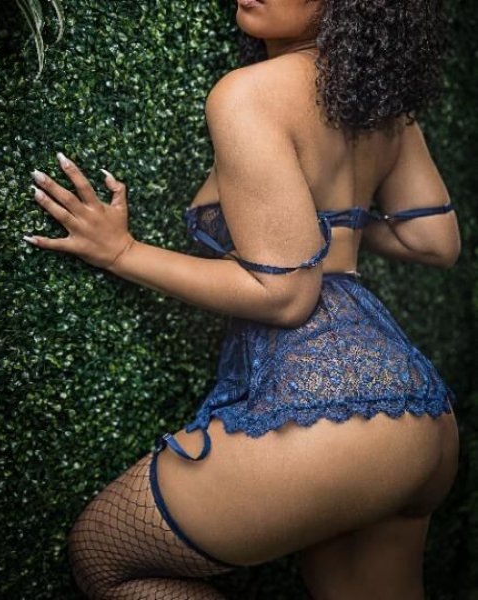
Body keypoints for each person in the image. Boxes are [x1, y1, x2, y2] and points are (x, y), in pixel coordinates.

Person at [24, 0, 461, 598]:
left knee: (105, 556)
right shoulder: (381, 106)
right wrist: (330, 225)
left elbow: (284, 295)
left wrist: (122, 252)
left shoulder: (248, 93)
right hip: (422, 417)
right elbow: (433, 240)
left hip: (329, 406)